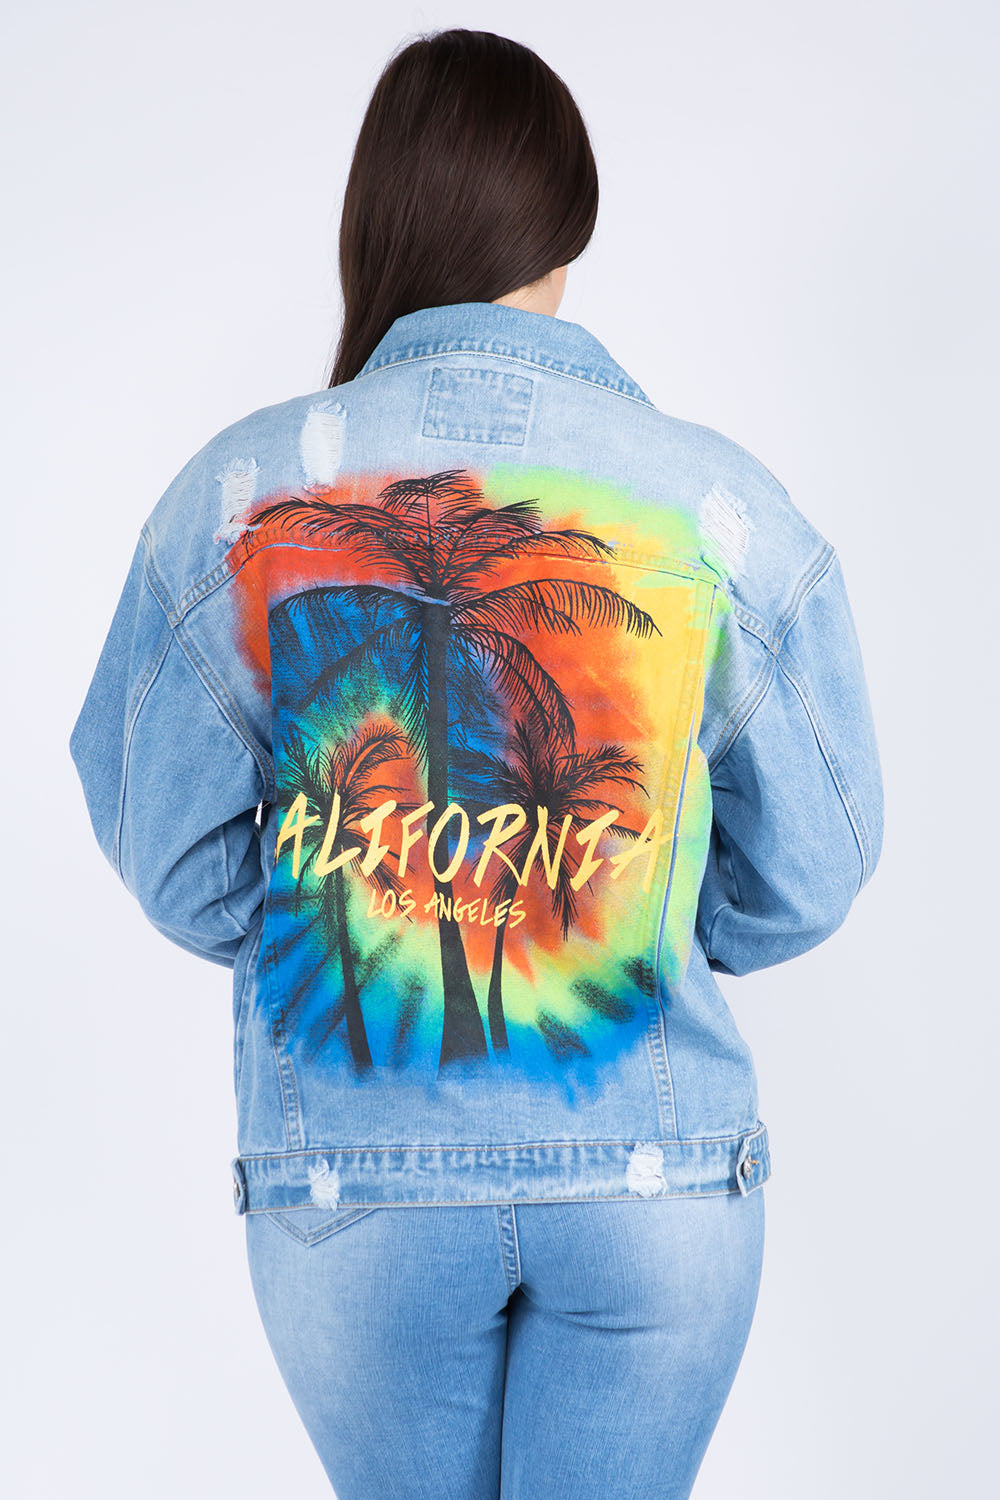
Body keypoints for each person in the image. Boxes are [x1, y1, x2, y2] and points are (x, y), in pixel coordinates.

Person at [68, 26, 884, 1500]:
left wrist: (343, 910)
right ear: (569, 229)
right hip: (651, 1179)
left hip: (355, 1191)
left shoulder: (243, 497)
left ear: (377, 219)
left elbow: (164, 844)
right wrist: (626, 916)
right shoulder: (715, 507)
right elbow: (816, 867)